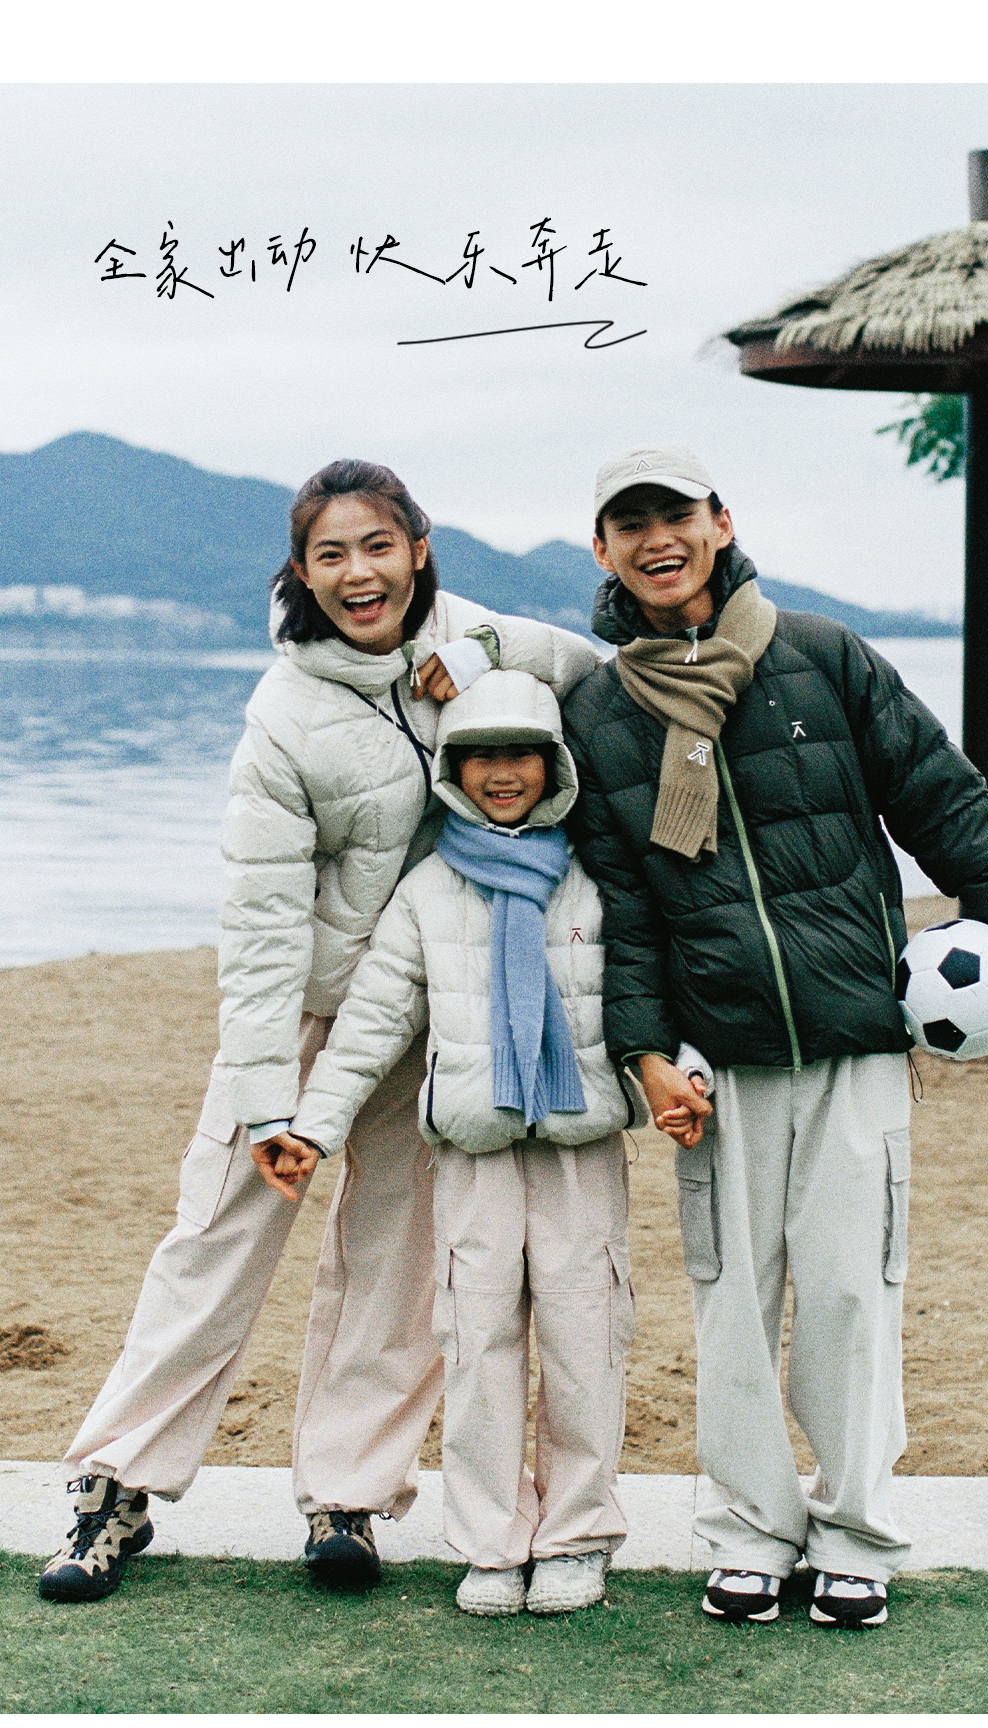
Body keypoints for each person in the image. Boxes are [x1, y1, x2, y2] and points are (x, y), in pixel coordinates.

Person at [40, 459, 602, 1604]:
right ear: (300, 570)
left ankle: (347, 1498)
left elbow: (592, 672)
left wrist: (486, 658)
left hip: (435, 1013)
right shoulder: (282, 715)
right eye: (331, 554)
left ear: (419, 548)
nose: (360, 574)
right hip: (304, 1009)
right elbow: (258, 926)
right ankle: (115, 1488)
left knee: (395, 1262)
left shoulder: (473, 635)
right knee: (216, 1237)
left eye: (378, 547)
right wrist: (265, 1101)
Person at [561, 444, 988, 1630]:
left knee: (851, 1295)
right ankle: (749, 1533)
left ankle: (855, 1535)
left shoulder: (823, 655)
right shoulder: (598, 711)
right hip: (718, 1059)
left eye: (676, 514)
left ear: (720, 520)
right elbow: (626, 905)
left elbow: (940, 794)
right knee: (732, 1305)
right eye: (630, 524)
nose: (657, 540)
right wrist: (645, 1053)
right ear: (603, 549)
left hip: (855, 1042)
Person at [282, 669, 651, 1617]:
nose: (502, 773)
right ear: (452, 769)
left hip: (579, 1146)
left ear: (555, 764)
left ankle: (575, 1535)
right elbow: (372, 1020)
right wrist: (315, 1125)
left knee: (584, 1335)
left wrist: (680, 1074)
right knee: (477, 1341)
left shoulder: (597, 876)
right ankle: (490, 1542)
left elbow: (652, 992)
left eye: (522, 753)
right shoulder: (429, 889)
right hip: (474, 1150)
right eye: (481, 756)